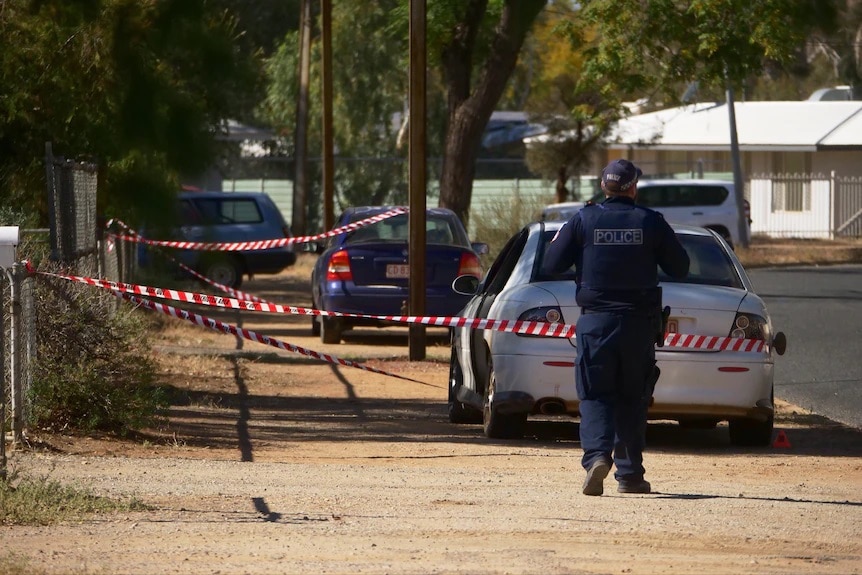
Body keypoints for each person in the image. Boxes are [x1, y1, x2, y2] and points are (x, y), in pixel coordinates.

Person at [543, 159, 690, 496]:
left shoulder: (583, 220)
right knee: (633, 397)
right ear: (633, 186)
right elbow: (680, 267)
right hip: (638, 325)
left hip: (595, 322)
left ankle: (597, 457)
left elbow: (552, 263)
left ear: (603, 186)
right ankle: (630, 476)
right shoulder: (651, 222)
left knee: (595, 393)